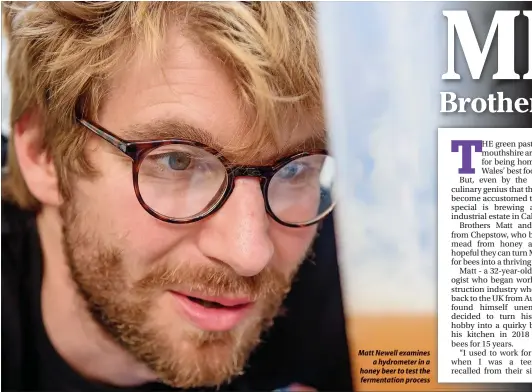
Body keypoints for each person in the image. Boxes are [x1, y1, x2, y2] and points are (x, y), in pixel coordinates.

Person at [1, 2, 353, 391]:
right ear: (42, 153)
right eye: (177, 161)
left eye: (294, 170)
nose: (250, 254)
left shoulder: (354, 282)